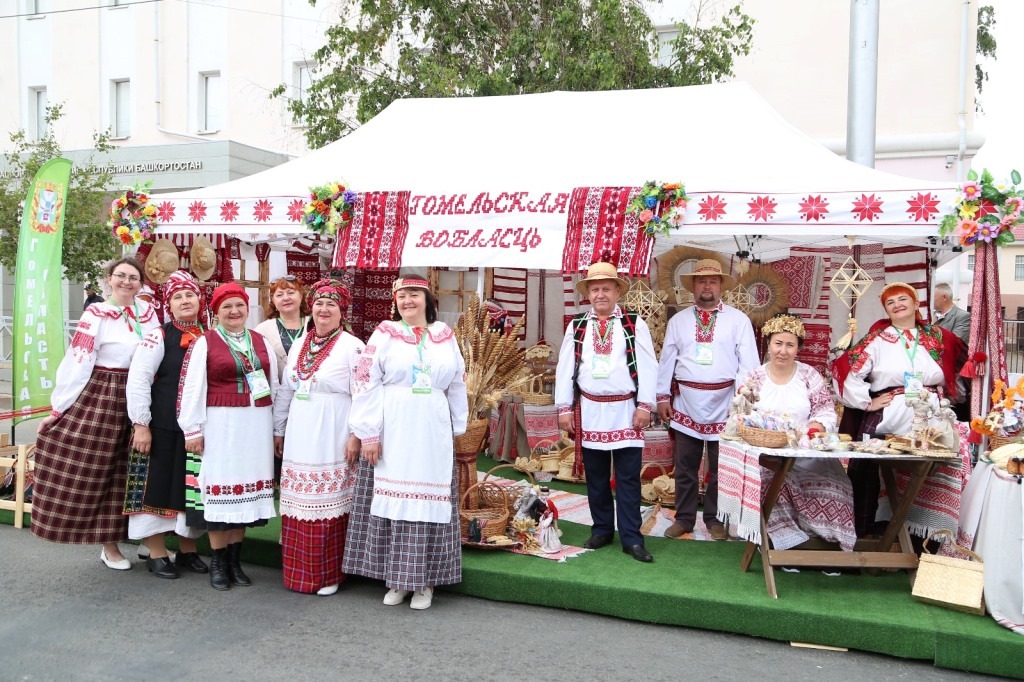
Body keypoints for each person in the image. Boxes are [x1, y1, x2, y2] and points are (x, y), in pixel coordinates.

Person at [342, 275, 468, 610]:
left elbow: (456, 382)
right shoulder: (384, 333)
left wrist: (458, 426)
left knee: (429, 501)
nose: (407, 301)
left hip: (432, 428)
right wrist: (368, 433)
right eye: (401, 296)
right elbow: (365, 381)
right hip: (393, 425)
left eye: (413, 294)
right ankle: (396, 579)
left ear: (427, 298)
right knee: (392, 498)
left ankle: (425, 582)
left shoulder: (445, 336)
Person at [31, 257, 159, 570]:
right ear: (109, 279)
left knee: (142, 468)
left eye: (133, 277)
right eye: (121, 276)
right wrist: (59, 408)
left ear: (141, 283)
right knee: (105, 470)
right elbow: (79, 359)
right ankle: (109, 546)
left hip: (144, 391)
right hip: (104, 391)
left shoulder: (149, 312)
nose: (127, 282)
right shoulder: (96, 312)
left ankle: (149, 539)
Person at [832, 281, 965, 536]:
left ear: (916, 304)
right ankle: (859, 533)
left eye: (902, 299)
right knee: (866, 470)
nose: (897, 305)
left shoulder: (938, 337)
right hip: (888, 412)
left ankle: (924, 536)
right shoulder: (877, 340)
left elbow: (960, 366)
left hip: (930, 414)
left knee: (931, 473)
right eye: (890, 303)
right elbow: (849, 372)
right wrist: (867, 403)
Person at [178, 282, 278, 590]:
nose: (234, 312)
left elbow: (275, 386)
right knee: (222, 492)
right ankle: (218, 562)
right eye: (227, 307)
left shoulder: (261, 341)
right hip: (221, 425)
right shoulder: (205, 342)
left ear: (248, 309)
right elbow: (191, 388)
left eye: (239, 306)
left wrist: (276, 429)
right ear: (216, 312)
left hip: (256, 424)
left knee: (245, 495)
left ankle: (235, 560)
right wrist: (192, 429)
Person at [555, 261, 657, 562]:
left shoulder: (633, 323)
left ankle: (631, 537)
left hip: (626, 409)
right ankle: (601, 529)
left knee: (628, 478)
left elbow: (649, 366)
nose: (600, 294)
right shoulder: (577, 326)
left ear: (617, 292)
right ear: (588, 293)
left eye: (606, 288)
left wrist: (644, 405)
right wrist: (564, 408)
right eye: (595, 289)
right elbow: (565, 368)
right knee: (596, 476)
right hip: (590, 410)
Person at [273, 279, 365, 596]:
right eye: (319, 304)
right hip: (301, 428)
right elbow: (286, 389)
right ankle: (299, 573)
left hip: (333, 427)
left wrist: (357, 434)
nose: (324, 310)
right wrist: (279, 428)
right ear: (310, 308)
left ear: (342, 311)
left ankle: (328, 575)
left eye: (331, 305)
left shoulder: (354, 347)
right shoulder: (300, 343)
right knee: (301, 497)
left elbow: (364, 395)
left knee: (328, 499)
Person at [657, 259, 758, 540]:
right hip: (686, 403)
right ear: (693, 286)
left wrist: (744, 404)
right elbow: (666, 362)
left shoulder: (738, 320)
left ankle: (715, 519)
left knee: (720, 467)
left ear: (721, 285)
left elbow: (748, 365)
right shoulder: (678, 321)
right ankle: (685, 518)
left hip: (725, 404)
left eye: (713, 281)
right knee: (685, 466)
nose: (707, 286)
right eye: (701, 281)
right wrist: (662, 397)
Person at [738, 314, 855, 554]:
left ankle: (828, 548)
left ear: (798, 348)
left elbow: (824, 409)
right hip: (768, 456)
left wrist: (816, 428)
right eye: (778, 343)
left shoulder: (809, 375)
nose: (783, 350)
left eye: (790, 345)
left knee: (836, 485)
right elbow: (743, 413)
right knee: (777, 483)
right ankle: (786, 547)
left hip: (807, 451)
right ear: (768, 345)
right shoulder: (754, 377)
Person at [125, 271, 209, 579]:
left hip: (195, 429)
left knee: (189, 487)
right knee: (157, 485)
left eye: (190, 294)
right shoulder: (158, 335)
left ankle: (188, 549)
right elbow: (139, 380)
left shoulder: (210, 334)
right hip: (161, 424)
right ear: (168, 305)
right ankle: (156, 550)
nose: (185, 301)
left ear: (200, 299)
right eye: (178, 296)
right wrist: (141, 424)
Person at [255, 275, 309, 383]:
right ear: (273, 301)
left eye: (291, 293)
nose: (286, 298)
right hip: (277, 391)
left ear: (301, 296)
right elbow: (256, 364)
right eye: (279, 295)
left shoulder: (314, 324)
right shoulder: (262, 330)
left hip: (312, 392)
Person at [933, 282, 972, 421]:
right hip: (939, 370)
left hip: (955, 371)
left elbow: (956, 342)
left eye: (934, 296)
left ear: (944, 297)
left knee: (956, 409)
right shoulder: (935, 317)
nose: (932, 300)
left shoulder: (962, 316)